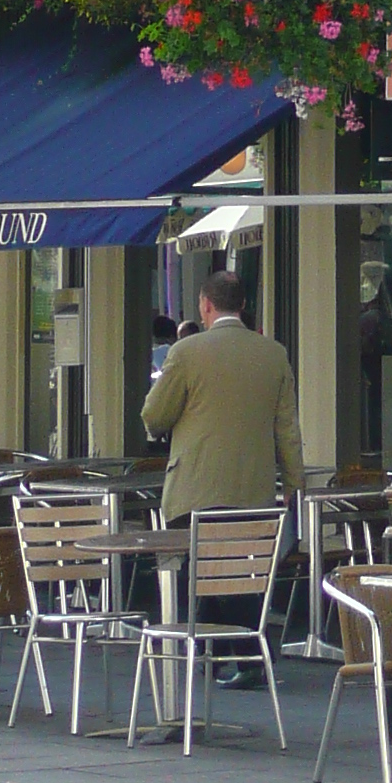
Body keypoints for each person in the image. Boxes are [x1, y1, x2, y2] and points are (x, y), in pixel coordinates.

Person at [141, 269, 304, 683]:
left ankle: (214, 657)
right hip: (252, 488)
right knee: (236, 573)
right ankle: (234, 659)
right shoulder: (273, 354)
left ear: (205, 306)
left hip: (195, 486)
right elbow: (287, 428)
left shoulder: (187, 351)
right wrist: (294, 484)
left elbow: (155, 415)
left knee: (199, 569)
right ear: (243, 305)